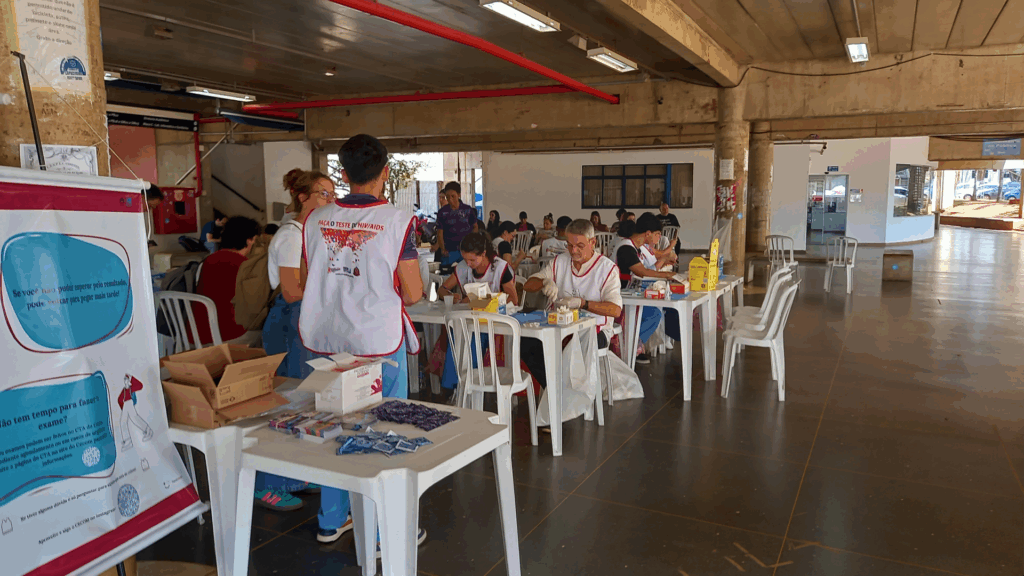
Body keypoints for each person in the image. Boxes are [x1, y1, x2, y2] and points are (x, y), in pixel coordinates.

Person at [299, 134, 426, 547]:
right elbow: (412, 293)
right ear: (385, 173)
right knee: (382, 430)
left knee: (333, 426)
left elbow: (304, 281)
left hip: (326, 339)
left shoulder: (315, 219)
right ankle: (379, 530)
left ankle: (332, 518)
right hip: (377, 342)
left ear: (343, 173)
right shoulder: (396, 220)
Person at [252, 171, 334, 512]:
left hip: (305, 320)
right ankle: (267, 485)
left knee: (305, 401)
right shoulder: (290, 236)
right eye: (323, 194)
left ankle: (295, 476)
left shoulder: (311, 234)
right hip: (289, 321)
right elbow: (291, 290)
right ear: (303, 197)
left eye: (332, 194)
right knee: (284, 403)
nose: (330, 200)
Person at [522, 219, 622, 388]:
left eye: (580, 246)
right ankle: (554, 388)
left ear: (593, 242)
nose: (573, 251)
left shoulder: (607, 269)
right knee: (526, 341)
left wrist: (583, 303)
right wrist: (545, 282)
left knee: (576, 345)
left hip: (594, 329)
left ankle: (565, 391)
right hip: (558, 325)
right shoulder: (560, 261)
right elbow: (528, 284)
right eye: (569, 245)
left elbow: (615, 310)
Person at [437, 232, 519, 391]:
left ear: (483, 254)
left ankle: (468, 384)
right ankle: (458, 386)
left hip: (496, 323)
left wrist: (484, 300)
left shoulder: (500, 268)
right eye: (465, 259)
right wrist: (450, 296)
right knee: (457, 333)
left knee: (471, 337)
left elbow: (513, 299)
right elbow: (442, 289)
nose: (468, 263)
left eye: (472, 260)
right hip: (471, 320)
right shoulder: (462, 267)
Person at [615, 214, 680, 364]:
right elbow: (642, 272)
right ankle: (630, 347)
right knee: (653, 314)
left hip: (631, 292)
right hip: (621, 296)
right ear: (648, 233)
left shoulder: (635, 247)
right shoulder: (626, 247)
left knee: (660, 307)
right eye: (657, 234)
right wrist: (666, 275)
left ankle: (634, 345)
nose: (658, 238)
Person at [194, 216, 261, 344]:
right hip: (227, 334)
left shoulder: (208, 260)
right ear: (249, 240)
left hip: (197, 332)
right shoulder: (244, 265)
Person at [435, 181, 477, 268]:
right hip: (449, 251)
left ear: (459, 195)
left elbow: (475, 227)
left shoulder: (468, 210)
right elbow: (440, 232)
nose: (450, 199)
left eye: (453, 196)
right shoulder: (442, 212)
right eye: (448, 197)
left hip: (466, 250)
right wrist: (442, 249)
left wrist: (473, 244)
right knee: (447, 274)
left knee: (467, 273)